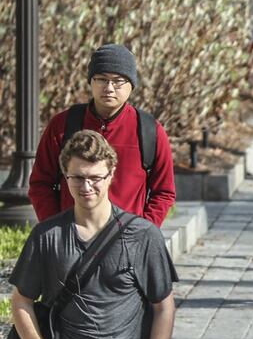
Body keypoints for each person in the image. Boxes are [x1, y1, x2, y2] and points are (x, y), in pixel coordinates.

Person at [9, 131, 178, 339]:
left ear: (111, 174)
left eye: (95, 178)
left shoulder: (143, 236)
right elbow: (21, 300)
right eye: (77, 178)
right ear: (65, 177)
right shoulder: (48, 236)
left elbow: (164, 305)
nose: (86, 187)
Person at [29, 43, 176, 226]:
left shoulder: (149, 131)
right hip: (72, 235)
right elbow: (40, 184)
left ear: (131, 84)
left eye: (118, 80)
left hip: (127, 240)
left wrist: (142, 232)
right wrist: (56, 228)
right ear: (91, 81)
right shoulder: (63, 125)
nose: (109, 87)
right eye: (101, 79)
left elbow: (164, 192)